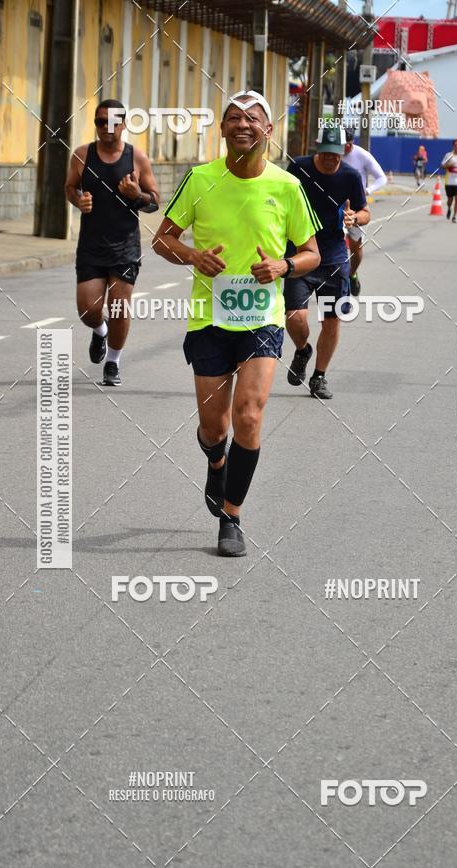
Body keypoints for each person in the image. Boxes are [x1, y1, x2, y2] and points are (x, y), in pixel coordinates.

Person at [152, 90, 320, 557]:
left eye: (253, 118)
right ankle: (216, 459)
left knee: (250, 415)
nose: (242, 124)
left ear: (268, 131)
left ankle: (231, 516)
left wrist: (284, 267)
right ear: (222, 130)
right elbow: (162, 240)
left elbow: (312, 254)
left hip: (262, 318)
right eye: (233, 118)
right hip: (209, 318)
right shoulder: (201, 179)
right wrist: (192, 256)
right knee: (213, 425)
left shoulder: (287, 186)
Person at [65, 99, 160, 386]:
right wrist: (78, 200)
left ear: (123, 124)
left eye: (113, 122)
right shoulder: (82, 155)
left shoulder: (137, 158)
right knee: (87, 310)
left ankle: (113, 362)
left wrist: (136, 194)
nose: (106, 127)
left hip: (125, 247)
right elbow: (70, 186)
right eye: (100, 121)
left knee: (119, 307)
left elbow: (155, 202)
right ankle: (100, 331)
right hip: (91, 246)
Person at [284, 123, 370, 400]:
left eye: (337, 153)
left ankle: (319, 376)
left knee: (332, 320)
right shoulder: (298, 168)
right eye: (326, 152)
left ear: (345, 150)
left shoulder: (350, 175)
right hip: (299, 254)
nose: (332, 158)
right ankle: (302, 350)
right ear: (317, 148)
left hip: (334, 258)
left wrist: (354, 218)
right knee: (295, 317)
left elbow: (365, 212)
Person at [343, 127, 387, 296]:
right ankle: (338, 279)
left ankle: (352, 274)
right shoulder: (333, 152)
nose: (345, 149)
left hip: (356, 205)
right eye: (343, 144)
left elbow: (381, 178)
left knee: (355, 246)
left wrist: (366, 191)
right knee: (337, 241)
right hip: (336, 204)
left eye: (349, 145)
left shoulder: (362, 155)